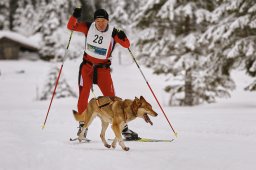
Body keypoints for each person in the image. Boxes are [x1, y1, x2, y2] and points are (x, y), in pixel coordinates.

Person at [67, 8, 139, 140]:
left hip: (103, 70)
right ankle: (83, 127)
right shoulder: (88, 27)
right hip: (87, 68)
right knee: (84, 95)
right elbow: (71, 26)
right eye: (98, 21)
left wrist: (123, 36)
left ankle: (124, 129)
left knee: (113, 99)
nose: (100, 24)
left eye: (103, 21)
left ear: (108, 21)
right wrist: (75, 16)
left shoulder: (113, 32)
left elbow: (126, 44)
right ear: (94, 21)